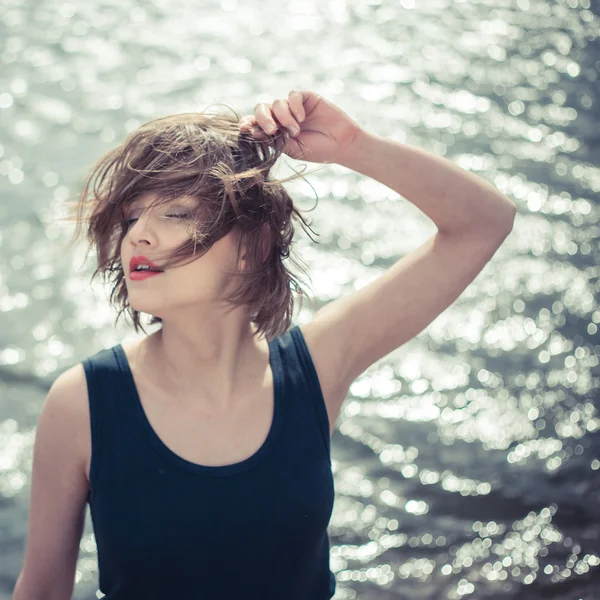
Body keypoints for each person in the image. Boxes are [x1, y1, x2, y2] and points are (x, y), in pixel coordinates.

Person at [12, 90, 516, 600]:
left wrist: (353, 145)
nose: (137, 235)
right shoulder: (84, 402)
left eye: (176, 213)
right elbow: (44, 589)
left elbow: (483, 223)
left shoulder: (314, 370)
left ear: (253, 246)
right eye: (130, 218)